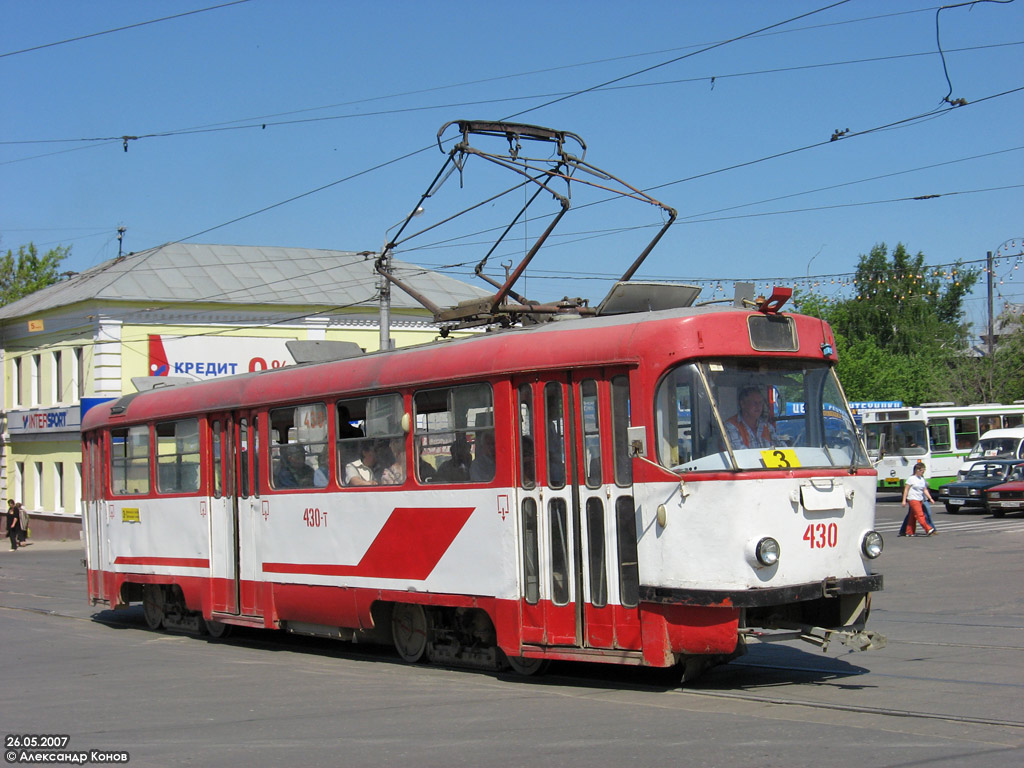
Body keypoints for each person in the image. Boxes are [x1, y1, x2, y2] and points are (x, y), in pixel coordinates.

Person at [900, 462, 937, 536]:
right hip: (913, 499)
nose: (923, 472)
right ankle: (928, 529)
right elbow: (906, 489)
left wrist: (930, 498)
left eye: (923, 470)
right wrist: (904, 500)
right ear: (917, 470)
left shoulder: (922, 479)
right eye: (922, 470)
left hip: (920, 499)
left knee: (912, 517)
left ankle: (909, 532)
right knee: (920, 515)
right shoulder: (911, 479)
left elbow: (925, 490)